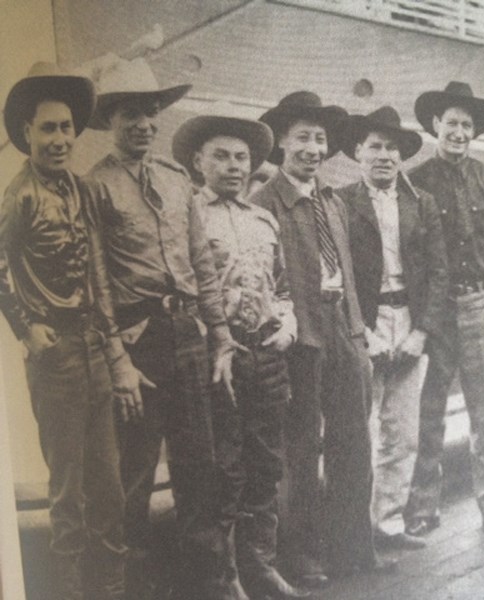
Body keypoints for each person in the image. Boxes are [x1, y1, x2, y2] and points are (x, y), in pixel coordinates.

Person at [86, 58, 242, 600]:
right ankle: (134, 586)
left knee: (199, 466)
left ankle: (210, 583)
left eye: (151, 114)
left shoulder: (178, 182)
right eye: (131, 114)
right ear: (111, 120)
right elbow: (97, 282)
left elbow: (201, 263)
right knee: (132, 474)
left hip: (189, 336)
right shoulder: (96, 188)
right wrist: (118, 363)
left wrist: (220, 336)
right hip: (138, 342)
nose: (144, 125)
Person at [0, 62, 144, 600]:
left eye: (65, 128)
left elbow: (97, 272)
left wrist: (112, 350)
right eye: (47, 129)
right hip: (55, 358)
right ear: (25, 134)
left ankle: (111, 592)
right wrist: (25, 327)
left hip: (92, 351)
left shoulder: (80, 190)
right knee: (68, 497)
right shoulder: (20, 196)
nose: (59, 139)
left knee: (107, 489)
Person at [249, 91, 393, 584]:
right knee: (300, 447)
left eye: (320, 139)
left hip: (343, 329)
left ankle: (353, 546)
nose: (313, 148)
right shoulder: (264, 202)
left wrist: (359, 331)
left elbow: (346, 272)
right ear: (282, 145)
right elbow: (263, 278)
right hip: (301, 334)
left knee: (354, 440)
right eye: (303, 138)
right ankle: (302, 555)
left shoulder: (331, 199)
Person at [172, 108, 309, 599]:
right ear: (197, 162)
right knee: (223, 469)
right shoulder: (188, 215)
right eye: (222, 156)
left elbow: (283, 287)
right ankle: (223, 576)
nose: (233, 166)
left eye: (242, 158)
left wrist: (288, 326)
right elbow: (185, 289)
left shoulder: (263, 218)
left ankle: (260, 564)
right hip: (218, 361)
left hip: (266, 358)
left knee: (267, 463)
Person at [405, 81, 484, 536]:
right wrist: (422, 318)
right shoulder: (415, 180)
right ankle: (421, 509)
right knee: (428, 410)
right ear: (436, 124)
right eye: (451, 123)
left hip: (481, 302)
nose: (458, 132)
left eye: (466, 125)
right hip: (436, 311)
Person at [336, 106, 448, 550]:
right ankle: (354, 529)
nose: (384, 156)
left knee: (403, 432)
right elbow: (338, 274)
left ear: (401, 157)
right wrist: (362, 330)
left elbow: (440, 272)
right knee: (358, 429)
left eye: (392, 148)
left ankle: (388, 523)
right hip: (364, 323)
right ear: (358, 152)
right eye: (375, 147)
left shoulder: (422, 203)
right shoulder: (340, 202)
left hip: (409, 321)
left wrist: (422, 331)